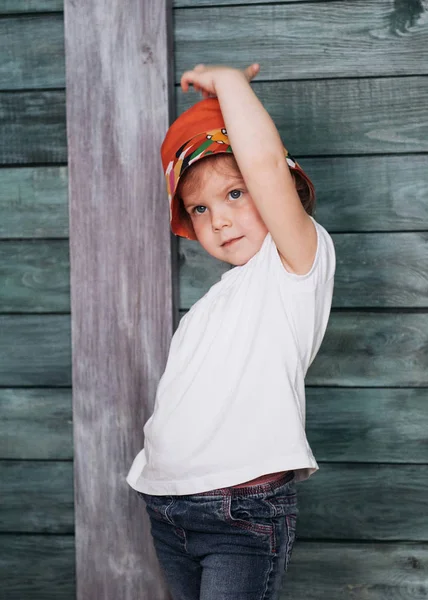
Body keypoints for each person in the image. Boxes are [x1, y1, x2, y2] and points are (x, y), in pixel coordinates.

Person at [126, 62, 336, 599]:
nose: (218, 219)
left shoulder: (293, 268)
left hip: (240, 511)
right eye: (200, 207)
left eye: (235, 195)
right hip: (169, 508)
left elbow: (264, 165)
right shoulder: (211, 306)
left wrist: (231, 87)